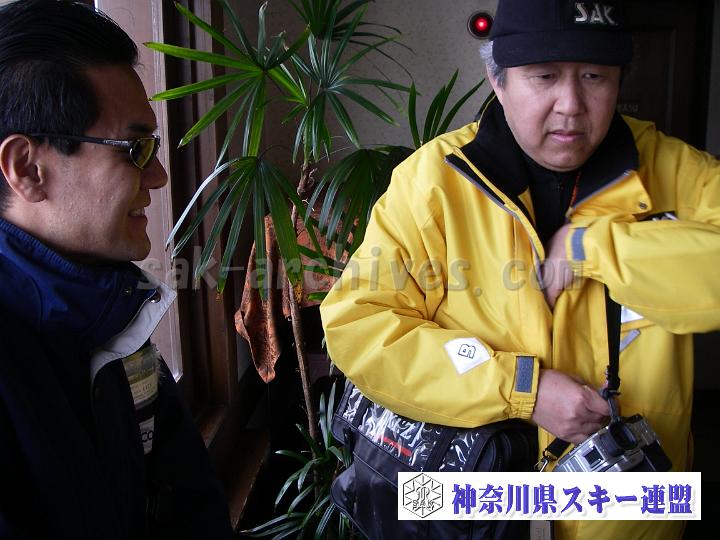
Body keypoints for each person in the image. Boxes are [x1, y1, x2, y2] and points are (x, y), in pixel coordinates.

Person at [321, 0, 720, 538]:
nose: (571, 104)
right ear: (498, 78)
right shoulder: (432, 183)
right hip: (474, 507)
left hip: (629, 512)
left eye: (594, 76)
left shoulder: (676, 174)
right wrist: (521, 388)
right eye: (544, 76)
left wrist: (596, 248)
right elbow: (360, 324)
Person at [0, 1, 234, 538]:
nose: (159, 177)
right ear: (27, 169)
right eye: (135, 149)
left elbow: (188, 502)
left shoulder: (112, 312)